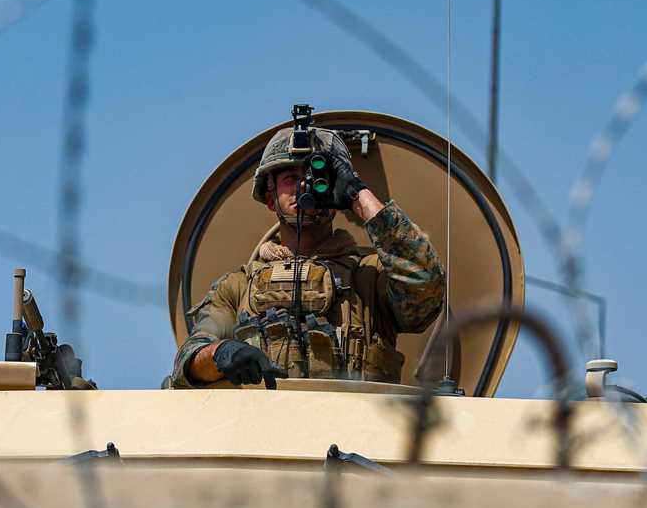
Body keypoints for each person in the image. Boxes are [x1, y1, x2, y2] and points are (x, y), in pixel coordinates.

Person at [166, 126, 446, 389]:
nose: (304, 186)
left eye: (316, 178)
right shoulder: (236, 288)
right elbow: (187, 363)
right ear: (271, 198)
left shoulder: (370, 278)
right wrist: (220, 353)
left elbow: (425, 288)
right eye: (290, 178)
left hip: (359, 434)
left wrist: (358, 195)